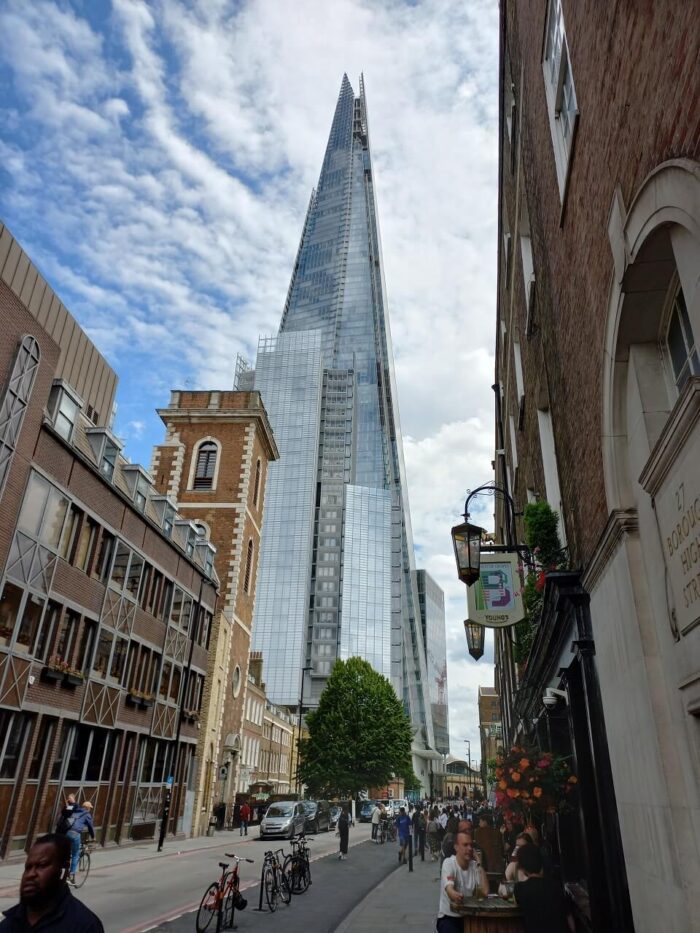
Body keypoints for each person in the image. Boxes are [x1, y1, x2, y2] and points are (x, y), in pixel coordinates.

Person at [0, 834, 104, 932]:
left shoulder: (85, 925)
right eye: (28, 867)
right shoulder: (8, 923)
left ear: (63, 870)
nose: (30, 874)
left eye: (42, 865)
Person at [436, 831, 489, 933]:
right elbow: (449, 889)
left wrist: (479, 863)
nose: (469, 848)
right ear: (456, 847)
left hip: (469, 917)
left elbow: (485, 892)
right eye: (465, 845)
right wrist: (455, 895)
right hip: (449, 917)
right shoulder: (449, 863)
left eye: (471, 845)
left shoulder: (474, 866)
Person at [514, 844, 574, 933]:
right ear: (541, 863)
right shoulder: (555, 886)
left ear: (522, 868)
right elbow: (569, 918)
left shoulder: (519, 889)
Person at [66, 801, 95, 885]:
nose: (90, 810)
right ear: (88, 808)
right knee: (75, 854)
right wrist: (93, 837)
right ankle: (71, 877)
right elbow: (90, 827)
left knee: (67, 853)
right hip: (75, 834)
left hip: (66, 832)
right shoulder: (87, 814)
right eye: (90, 808)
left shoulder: (76, 811)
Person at [474, 812, 505, 876]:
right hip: (497, 865)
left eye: (480, 821)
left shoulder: (478, 832)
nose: (479, 823)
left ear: (485, 822)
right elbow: (501, 848)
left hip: (484, 864)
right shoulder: (497, 832)